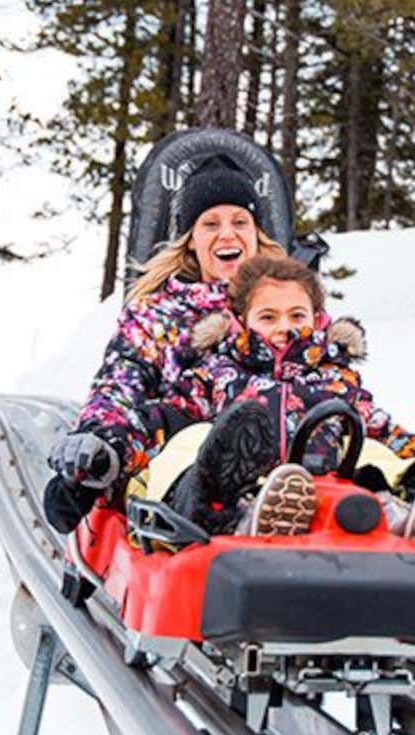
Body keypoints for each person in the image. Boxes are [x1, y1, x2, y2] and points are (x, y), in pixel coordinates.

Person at [139, 255, 415, 541]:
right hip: (244, 490)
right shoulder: (217, 373)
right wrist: (116, 446)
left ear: (317, 321)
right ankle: (224, 513)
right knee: (194, 439)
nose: (284, 326)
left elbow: (384, 429)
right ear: (241, 321)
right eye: (268, 317)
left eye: (296, 315)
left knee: (372, 449)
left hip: (331, 496)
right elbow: (163, 419)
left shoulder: (336, 378)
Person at [42, 154, 286, 534]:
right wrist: (97, 447)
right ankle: (213, 507)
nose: (227, 234)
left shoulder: (286, 310)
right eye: (210, 224)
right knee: (195, 441)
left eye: (240, 222)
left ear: (257, 236)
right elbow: (120, 387)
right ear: (190, 241)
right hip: (178, 457)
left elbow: (326, 380)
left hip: (284, 458)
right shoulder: (157, 315)